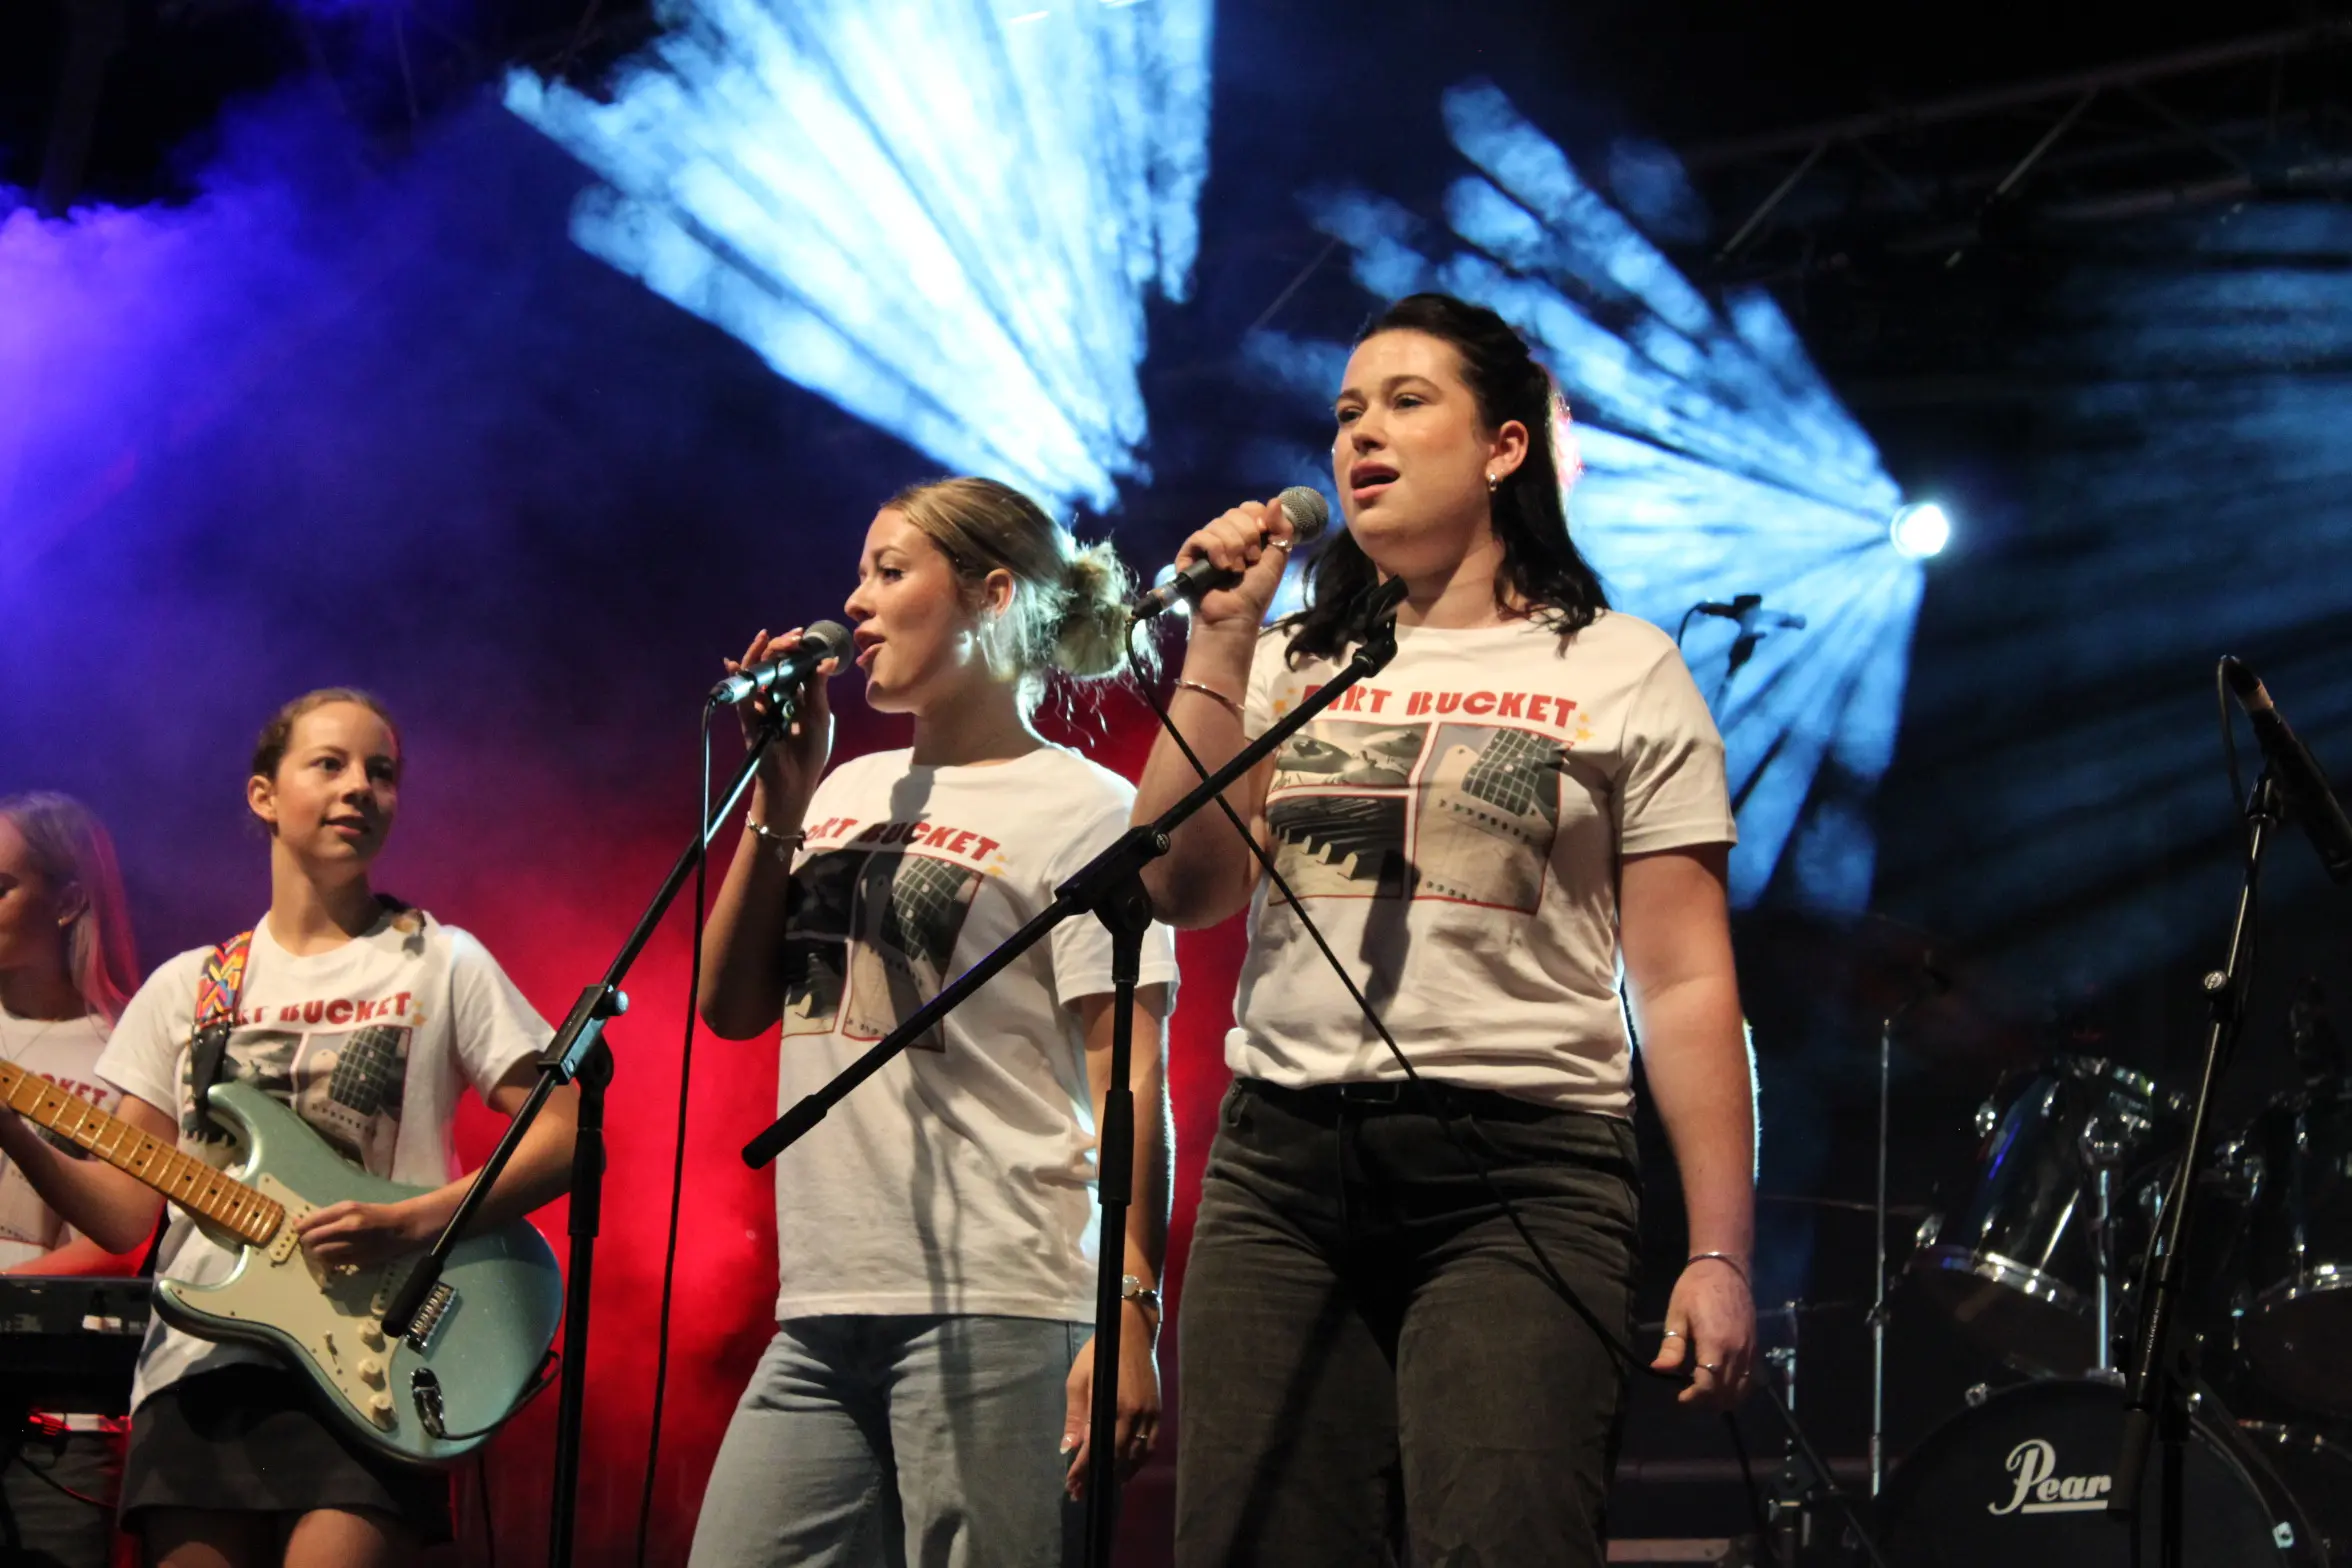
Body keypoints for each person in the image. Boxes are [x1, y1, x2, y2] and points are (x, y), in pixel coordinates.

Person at [1131, 292, 1758, 1567]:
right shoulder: (1288, 658)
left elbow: (1687, 980)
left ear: (1504, 447)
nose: (1360, 434)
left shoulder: (1621, 664)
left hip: (1521, 1170)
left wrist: (1718, 1251)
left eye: (1406, 402)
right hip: (1280, 1171)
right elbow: (1180, 887)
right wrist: (1223, 641)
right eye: (1346, 412)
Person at [689, 476, 1178, 1568]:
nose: (854, 602)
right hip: (825, 1299)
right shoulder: (841, 790)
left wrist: (1134, 1304)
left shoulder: (1087, 809)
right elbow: (730, 1007)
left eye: (889, 571)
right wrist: (779, 801)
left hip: (1004, 1295)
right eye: (859, 574)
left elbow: (1133, 1079)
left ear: (991, 595)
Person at [0, 690, 580, 1568]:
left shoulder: (442, 960)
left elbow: (566, 1133)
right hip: (199, 1367)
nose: (360, 788)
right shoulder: (188, 985)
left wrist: (412, 1223)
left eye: (381, 772)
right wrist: (15, 1130)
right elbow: (123, 1218)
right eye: (330, 764)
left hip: (373, 1362)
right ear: (263, 796)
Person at [0, 791, 146, 1567]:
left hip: (58, 1426)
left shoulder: (127, 1050)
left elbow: (124, 1239)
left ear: (67, 902)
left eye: (1, 887)